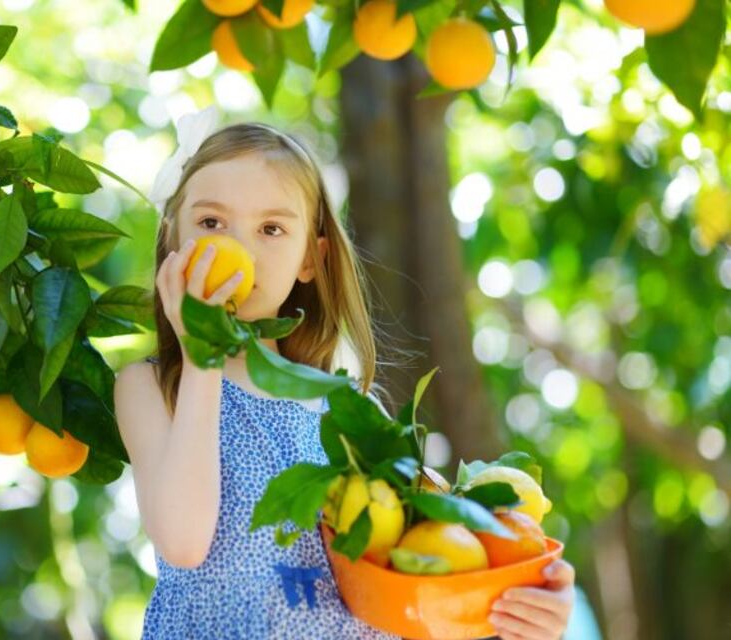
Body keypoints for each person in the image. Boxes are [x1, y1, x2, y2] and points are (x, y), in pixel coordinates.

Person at [114, 106, 575, 639]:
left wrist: (517, 602)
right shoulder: (153, 387)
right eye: (211, 222)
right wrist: (202, 357)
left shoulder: (353, 412)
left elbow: (419, 582)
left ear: (311, 259)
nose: (238, 247)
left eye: (271, 228)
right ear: (173, 239)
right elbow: (183, 542)